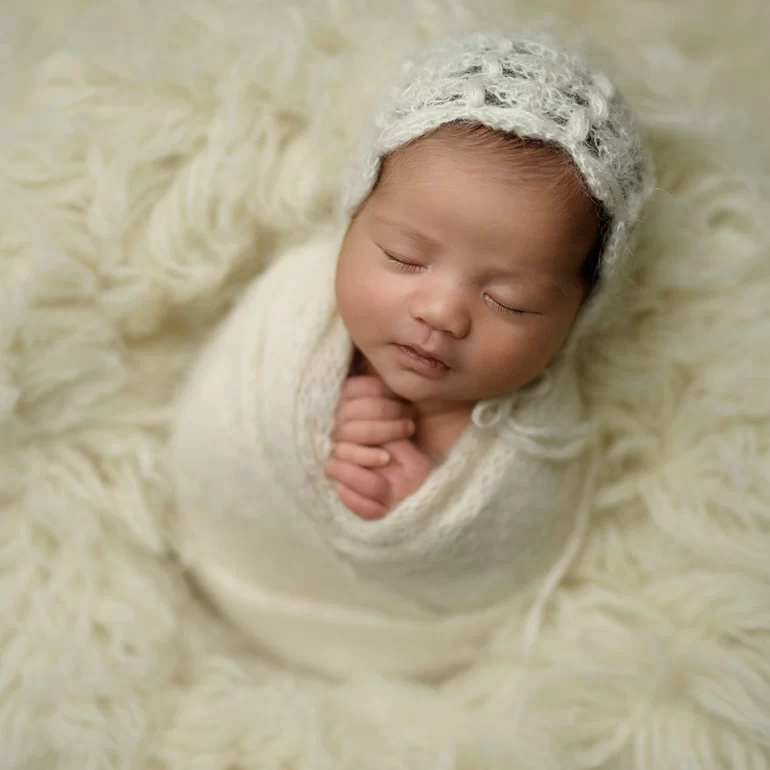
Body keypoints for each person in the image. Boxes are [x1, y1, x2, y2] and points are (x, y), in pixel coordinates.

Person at [169, 31, 654, 680]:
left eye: (509, 300)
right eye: (403, 257)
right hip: (218, 566)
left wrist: (419, 497)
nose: (441, 313)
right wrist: (320, 422)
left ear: (578, 314)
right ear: (354, 217)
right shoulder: (294, 305)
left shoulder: (540, 436)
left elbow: (518, 534)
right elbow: (226, 421)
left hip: (397, 654)